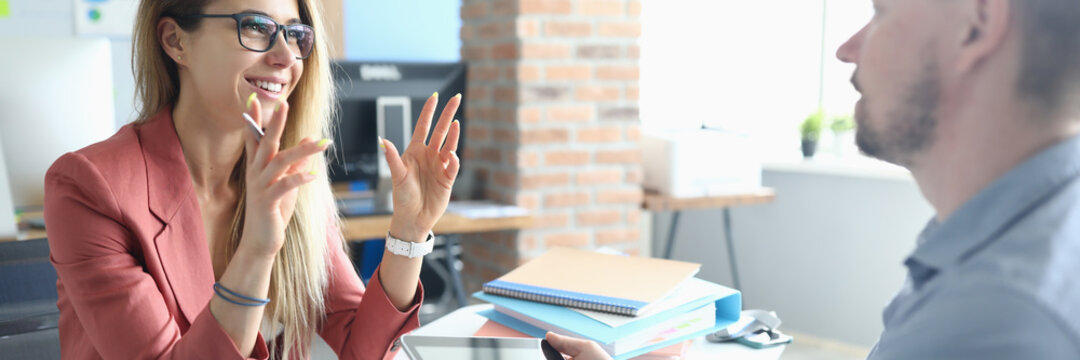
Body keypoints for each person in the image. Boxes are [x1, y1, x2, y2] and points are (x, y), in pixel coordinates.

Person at [547, 0, 1080, 358]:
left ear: (976, 24)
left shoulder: (1001, 319)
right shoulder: (1006, 238)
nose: (847, 48)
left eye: (881, 10)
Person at [42, 0, 463, 359]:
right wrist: (257, 251)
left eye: (296, 34)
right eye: (257, 27)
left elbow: (362, 349)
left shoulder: (288, 176)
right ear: (175, 41)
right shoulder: (91, 188)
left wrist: (409, 231)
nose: (286, 56)